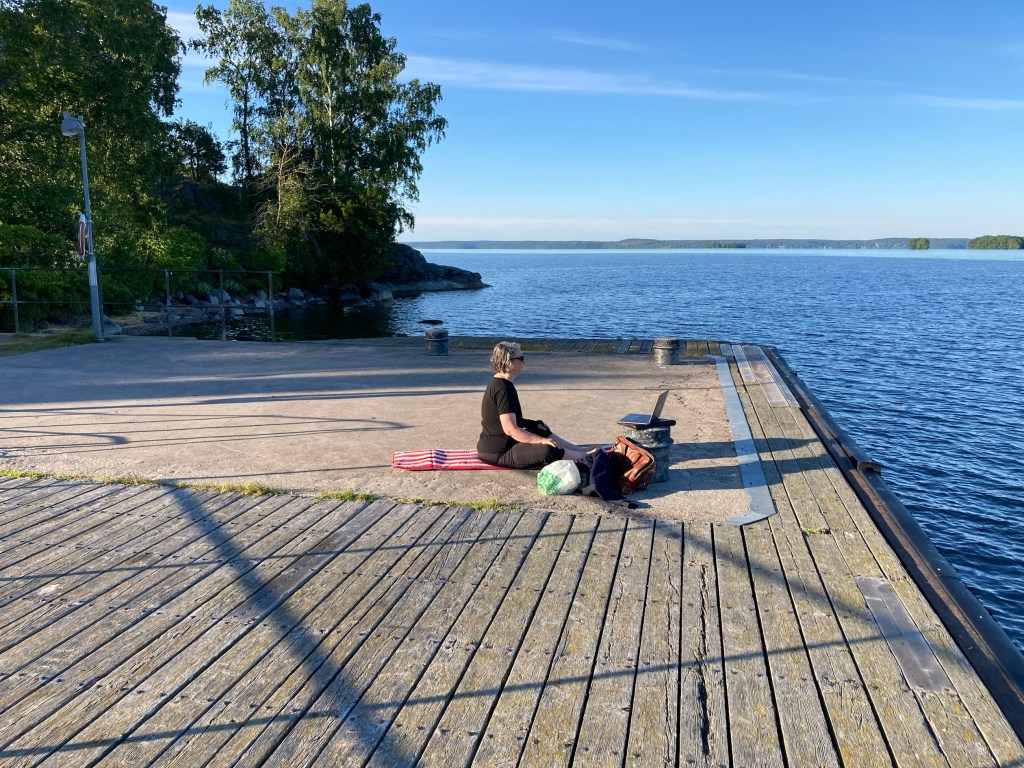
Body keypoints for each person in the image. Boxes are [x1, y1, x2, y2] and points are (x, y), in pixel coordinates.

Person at [476, 341, 593, 469]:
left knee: (539, 428)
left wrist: (534, 425)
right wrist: (541, 440)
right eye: (521, 359)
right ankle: (584, 456)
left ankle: (578, 450)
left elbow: (507, 420)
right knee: (548, 449)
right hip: (498, 452)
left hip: (505, 444)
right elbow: (510, 430)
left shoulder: (502, 384)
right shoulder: (502, 388)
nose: (524, 362)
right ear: (509, 363)